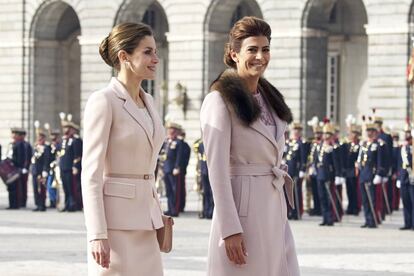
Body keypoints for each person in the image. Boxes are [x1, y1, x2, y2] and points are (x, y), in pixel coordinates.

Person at [200, 16, 299, 276]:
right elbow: (217, 171)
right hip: (242, 213)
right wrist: (229, 228)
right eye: (252, 50)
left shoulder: (270, 99)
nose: (260, 57)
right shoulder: (219, 100)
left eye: (265, 49)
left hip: (273, 206)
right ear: (234, 54)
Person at [82, 22, 166, 275]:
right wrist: (97, 234)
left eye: (156, 52)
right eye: (147, 52)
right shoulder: (103, 101)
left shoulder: (149, 101)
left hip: (148, 219)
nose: (156, 59)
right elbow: (91, 174)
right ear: (124, 56)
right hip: (115, 226)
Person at [162, 122, 183, 217]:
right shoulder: (166, 142)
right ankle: (170, 209)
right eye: (169, 130)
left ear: (176, 132)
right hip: (166, 168)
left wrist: (177, 167)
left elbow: (179, 156)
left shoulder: (178, 142)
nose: (171, 131)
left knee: (175, 191)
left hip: (173, 170)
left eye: (173, 130)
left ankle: (175, 210)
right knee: (168, 190)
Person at [31, 123, 51, 212]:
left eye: (41, 138)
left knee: (41, 189)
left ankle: (42, 205)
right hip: (35, 171)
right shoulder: (36, 147)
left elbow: (47, 160)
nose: (39, 140)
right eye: (38, 138)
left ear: (43, 139)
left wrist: (45, 170)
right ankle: (37, 204)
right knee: (35, 189)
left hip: (41, 171)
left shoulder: (46, 148)